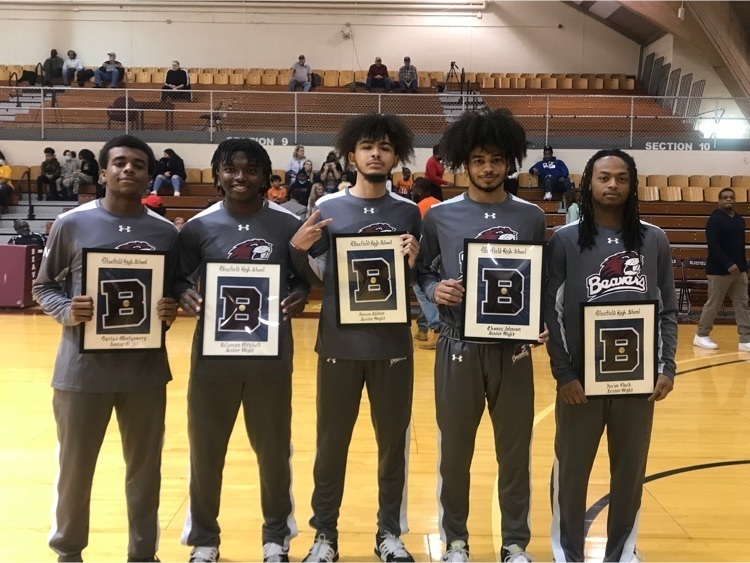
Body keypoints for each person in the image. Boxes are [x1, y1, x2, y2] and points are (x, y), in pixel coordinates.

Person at [32, 134, 180, 563]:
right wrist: (67, 310)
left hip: (144, 372)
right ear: (102, 173)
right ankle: (68, 552)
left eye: (138, 164)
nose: (128, 169)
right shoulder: (72, 223)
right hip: (81, 372)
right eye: (119, 162)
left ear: (148, 176)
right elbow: (44, 286)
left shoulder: (165, 232)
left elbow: (173, 291)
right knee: (75, 470)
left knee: (145, 472)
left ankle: (142, 554)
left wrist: (170, 308)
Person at [288, 113, 421, 563]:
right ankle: (324, 535)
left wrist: (414, 262)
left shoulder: (408, 212)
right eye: (367, 147)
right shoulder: (327, 207)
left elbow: (413, 280)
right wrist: (298, 250)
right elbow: (315, 278)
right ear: (352, 156)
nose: (376, 154)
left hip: (393, 347)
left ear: (395, 157)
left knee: (392, 446)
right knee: (331, 445)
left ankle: (389, 534)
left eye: (384, 147)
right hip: (338, 345)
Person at [416, 109, 546, 563]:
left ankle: (515, 543)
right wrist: (435, 289)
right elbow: (421, 271)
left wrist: (541, 320)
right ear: (463, 164)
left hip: (513, 350)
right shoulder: (440, 216)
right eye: (478, 160)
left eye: (495, 159)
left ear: (509, 161)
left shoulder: (531, 216)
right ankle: (455, 541)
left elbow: (539, 279)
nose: (487, 168)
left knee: (515, 453)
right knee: (455, 453)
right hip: (458, 345)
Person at [174, 138, 309, 563]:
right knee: (206, 450)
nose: (240, 177)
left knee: (274, 451)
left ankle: (276, 537)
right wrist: (183, 294)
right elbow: (177, 277)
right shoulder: (198, 226)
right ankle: (204, 540)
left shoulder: (286, 224)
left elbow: (302, 278)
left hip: (270, 357)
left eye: (251, 170)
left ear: (265, 177)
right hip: (213, 359)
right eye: (231, 169)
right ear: (217, 174)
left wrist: (299, 296)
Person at [545, 148, 677, 563]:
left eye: (621, 178)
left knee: (630, 474)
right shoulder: (565, 240)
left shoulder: (654, 239)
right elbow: (551, 310)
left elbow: (667, 308)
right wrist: (564, 373)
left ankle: (621, 552)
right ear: (589, 183)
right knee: (571, 473)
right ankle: (567, 553)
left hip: (636, 381)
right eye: (604, 177)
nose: (613, 185)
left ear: (632, 185)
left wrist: (666, 366)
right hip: (580, 383)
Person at [693, 187, 750, 351]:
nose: (728, 199)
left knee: (742, 304)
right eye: (725, 197)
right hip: (719, 270)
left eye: (731, 197)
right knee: (714, 304)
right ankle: (701, 335)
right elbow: (713, 245)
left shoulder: (739, 219)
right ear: (719, 201)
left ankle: (745, 339)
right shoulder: (715, 219)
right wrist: (728, 263)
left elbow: (740, 246)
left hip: (739, 271)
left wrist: (743, 268)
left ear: (735, 200)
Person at [409, 178, 441, 348]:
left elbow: (419, 237)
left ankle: (437, 329)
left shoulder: (419, 207)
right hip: (442, 253)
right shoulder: (439, 204)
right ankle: (422, 329)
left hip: (429, 254)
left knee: (419, 287)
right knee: (425, 291)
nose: (411, 192)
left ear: (419, 191)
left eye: (413, 189)